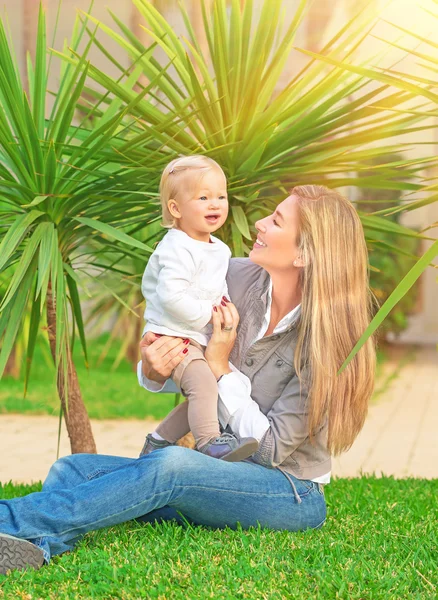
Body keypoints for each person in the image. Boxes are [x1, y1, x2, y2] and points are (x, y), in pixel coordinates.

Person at [0, 185, 376, 575]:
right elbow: (176, 342)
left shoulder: (329, 340)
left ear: (304, 253)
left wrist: (220, 366)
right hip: (215, 477)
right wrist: (154, 367)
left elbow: (270, 451)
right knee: (72, 470)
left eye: (276, 221)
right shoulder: (233, 277)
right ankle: (39, 546)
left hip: (288, 491)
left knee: (172, 466)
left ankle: (7, 521)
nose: (259, 225)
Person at [139, 155, 258, 461]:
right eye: (203, 197)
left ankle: (158, 442)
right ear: (175, 209)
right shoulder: (176, 248)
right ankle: (210, 442)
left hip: (196, 337)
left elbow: (217, 287)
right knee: (204, 386)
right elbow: (170, 297)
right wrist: (210, 317)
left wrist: (224, 306)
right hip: (173, 337)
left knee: (208, 394)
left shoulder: (218, 248)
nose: (215, 204)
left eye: (221, 196)